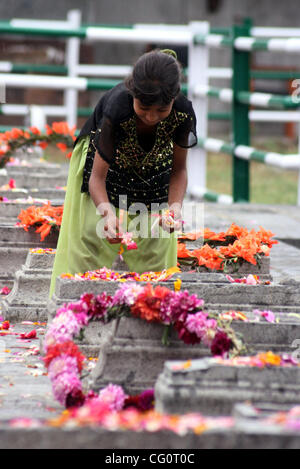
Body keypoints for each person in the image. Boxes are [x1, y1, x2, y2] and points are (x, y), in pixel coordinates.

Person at [49, 49, 197, 297]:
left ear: (174, 98)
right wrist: (107, 214)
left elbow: (179, 169)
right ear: (133, 93)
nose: (151, 117)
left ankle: (153, 306)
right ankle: (77, 308)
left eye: (161, 110)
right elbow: (98, 178)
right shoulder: (118, 108)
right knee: (89, 238)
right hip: (104, 165)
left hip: (153, 165)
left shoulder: (183, 113)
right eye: (144, 108)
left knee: (156, 245)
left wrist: (175, 208)